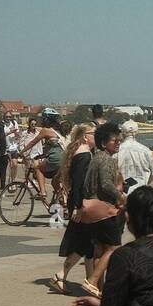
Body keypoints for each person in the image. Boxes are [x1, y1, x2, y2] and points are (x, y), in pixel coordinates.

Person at [81, 123, 126, 295]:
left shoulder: (95, 158)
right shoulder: (106, 159)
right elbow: (107, 185)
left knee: (99, 250)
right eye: (114, 141)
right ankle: (92, 281)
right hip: (103, 210)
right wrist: (121, 196)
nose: (118, 143)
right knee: (113, 248)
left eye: (118, 140)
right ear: (103, 143)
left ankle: (99, 289)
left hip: (90, 209)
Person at [52, 123, 96, 293]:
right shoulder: (84, 155)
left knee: (87, 243)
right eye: (94, 133)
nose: (96, 136)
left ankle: (90, 281)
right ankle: (60, 275)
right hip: (80, 203)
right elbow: (79, 184)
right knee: (84, 242)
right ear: (85, 136)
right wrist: (78, 207)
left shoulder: (81, 152)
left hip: (78, 202)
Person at [19, 109, 65, 204]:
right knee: (55, 182)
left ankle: (42, 192)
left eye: (43, 118)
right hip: (64, 160)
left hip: (55, 158)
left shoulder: (45, 131)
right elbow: (54, 147)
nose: (42, 120)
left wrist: (22, 151)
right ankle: (64, 203)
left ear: (47, 119)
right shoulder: (60, 131)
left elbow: (33, 142)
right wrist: (42, 155)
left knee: (38, 168)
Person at [115, 120, 153, 196]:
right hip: (141, 192)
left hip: (123, 193)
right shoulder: (145, 150)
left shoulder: (117, 150)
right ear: (136, 133)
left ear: (122, 133)